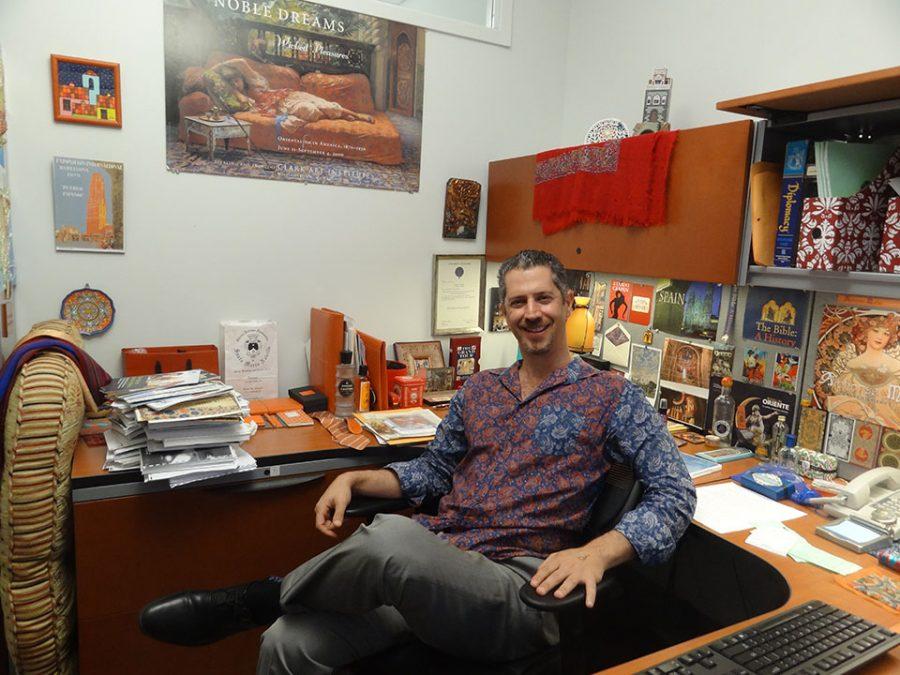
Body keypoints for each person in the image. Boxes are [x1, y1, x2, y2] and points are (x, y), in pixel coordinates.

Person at [139, 249, 696, 674]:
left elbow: (675, 493)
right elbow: (434, 473)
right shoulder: (479, 389)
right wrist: (356, 476)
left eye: (543, 299)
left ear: (567, 304)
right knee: (288, 643)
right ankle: (269, 609)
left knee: (390, 542)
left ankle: (250, 599)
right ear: (504, 313)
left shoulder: (610, 397)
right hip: (434, 568)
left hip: (519, 590)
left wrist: (599, 552)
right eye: (518, 302)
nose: (532, 313)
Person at [202, 57, 375, 134]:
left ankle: (355, 115)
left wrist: (223, 66)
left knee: (325, 105)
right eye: (230, 81)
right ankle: (338, 116)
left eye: (236, 79)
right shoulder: (238, 98)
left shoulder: (255, 82)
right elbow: (208, 75)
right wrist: (225, 81)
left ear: (241, 77)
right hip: (283, 108)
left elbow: (239, 62)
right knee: (310, 112)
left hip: (290, 97)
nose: (235, 83)